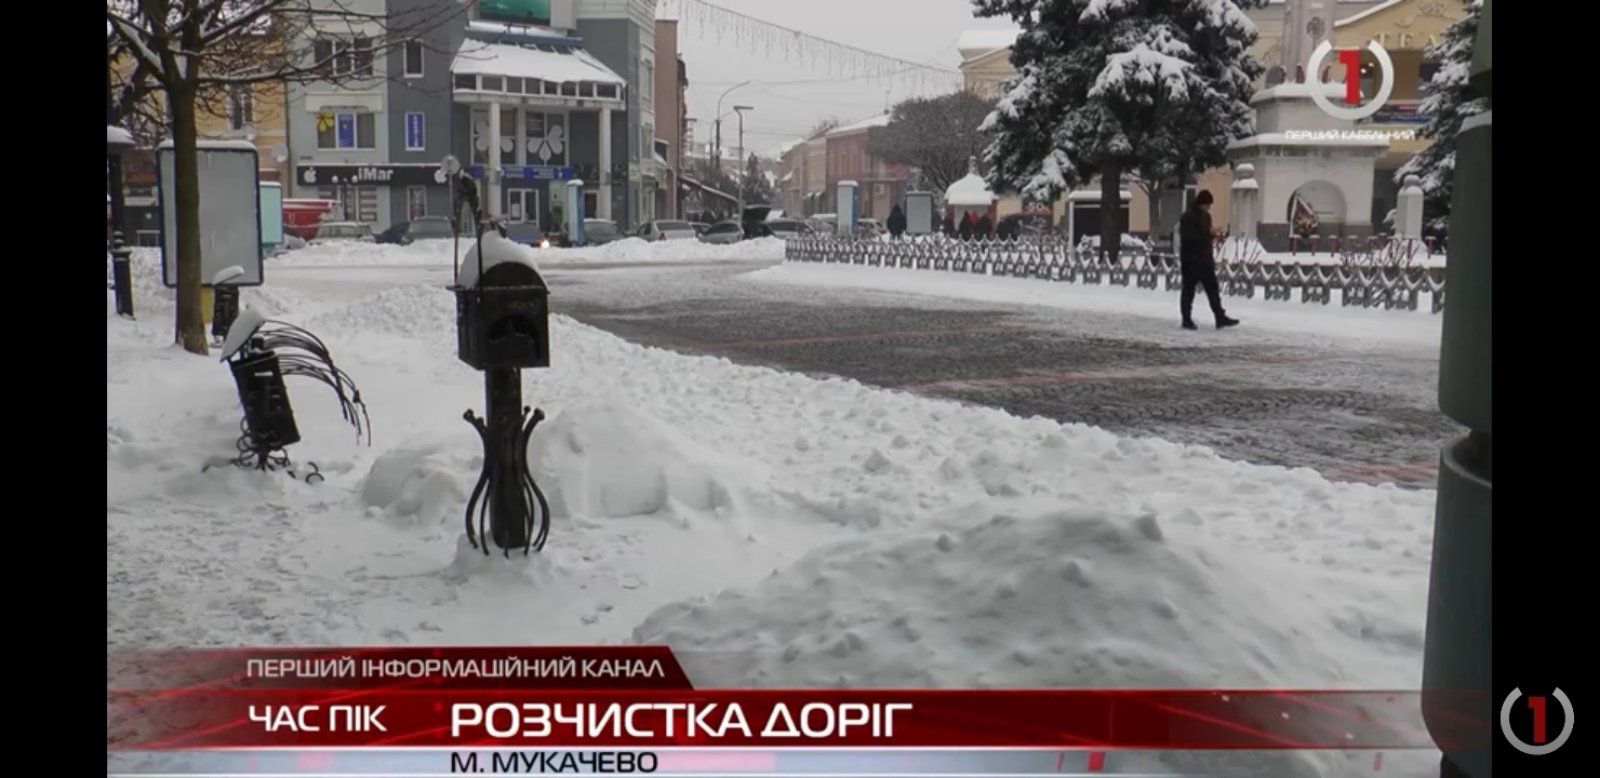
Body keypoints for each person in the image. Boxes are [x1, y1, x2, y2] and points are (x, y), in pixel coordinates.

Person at [1178, 190, 1240, 331]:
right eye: (1207, 205)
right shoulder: (1188, 217)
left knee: (1213, 290)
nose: (1208, 208)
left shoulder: (1206, 217)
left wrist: (1211, 236)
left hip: (1205, 260)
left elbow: (1204, 239)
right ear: (1201, 203)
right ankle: (1186, 319)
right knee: (1188, 291)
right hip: (1191, 260)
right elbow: (1189, 239)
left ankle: (1220, 317)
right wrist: (1208, 233)